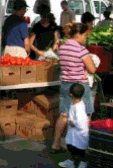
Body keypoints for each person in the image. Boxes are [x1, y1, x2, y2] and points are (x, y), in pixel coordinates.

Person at [51, 23, 96, 153]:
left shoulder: (62, 48)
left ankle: (56, 144)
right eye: (85, 36)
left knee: (63, 115)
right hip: (79, 86)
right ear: (78, 35)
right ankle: (82, 145)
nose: (85, 38)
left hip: (65, 83)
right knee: (86, 114)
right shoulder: (81, 50)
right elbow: (92, 68)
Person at [58, 83, 89, 168]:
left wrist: (73, 122)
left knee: (80, 149)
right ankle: (71, 161)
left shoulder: (78, 107)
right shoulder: (76, 104)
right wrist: (68, 116)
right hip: (74, 133)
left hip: (79, 133)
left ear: (71, 95)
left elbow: (81, 121)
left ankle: (83, 163)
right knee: (72, 147)